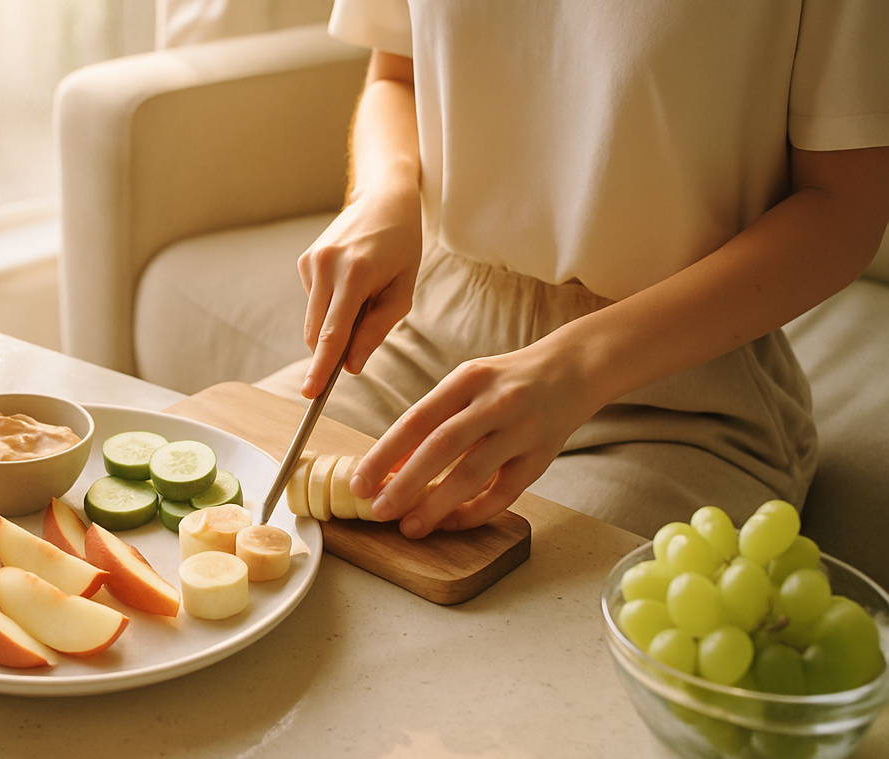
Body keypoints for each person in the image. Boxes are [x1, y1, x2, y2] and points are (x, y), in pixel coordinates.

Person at [256, 0, 889, 541]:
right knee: (220, 495)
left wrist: (580, 365)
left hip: (673, 395)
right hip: (429, 333)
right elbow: (398, 74)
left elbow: (848, 206)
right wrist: (383, 188)